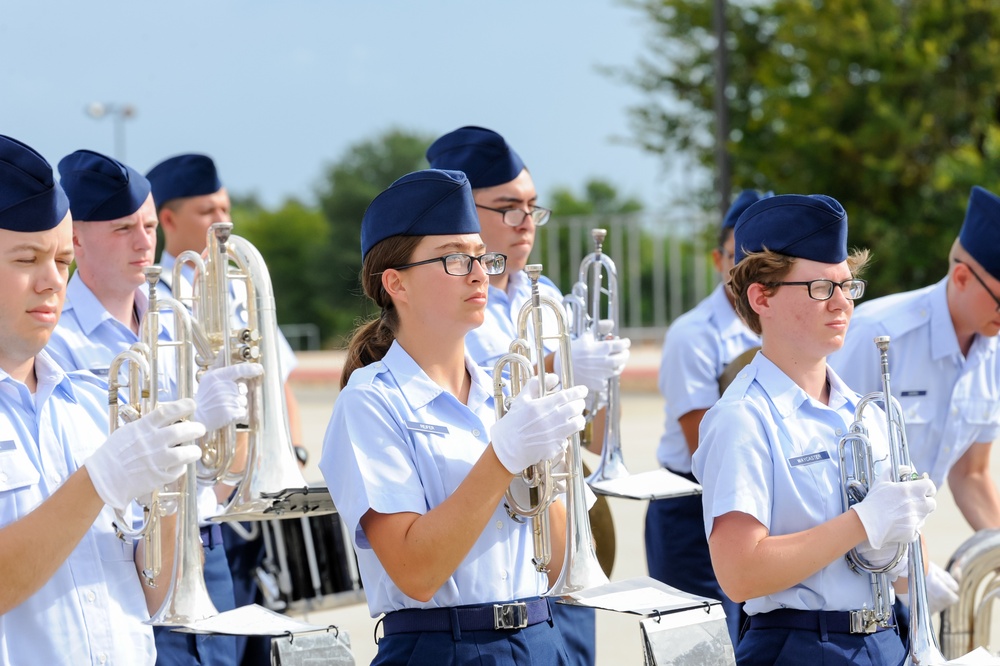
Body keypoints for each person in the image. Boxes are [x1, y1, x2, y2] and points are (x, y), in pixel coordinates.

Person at [319, 168, 589, 665]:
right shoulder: (371, 402)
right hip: (442, 647)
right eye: (454, 258)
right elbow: (417, 571)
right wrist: (505, 457)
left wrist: (546, 463)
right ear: (396, 282)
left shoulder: (505, 390)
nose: (480, 272)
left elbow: (561, 565)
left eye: (481, 255)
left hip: (541, 638)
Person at [0, 133, 243, 664]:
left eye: (60, 260)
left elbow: (146, 591)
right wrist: (99, 482)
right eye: (26, 259)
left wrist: (178, 479)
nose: (52, 283)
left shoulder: (87, 398)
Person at [692, 194, 938, 665]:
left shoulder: (865, 412)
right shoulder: (743, 417)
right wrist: (863, 521)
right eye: (822, 289)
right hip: (799, 644)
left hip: (883, 637)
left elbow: (886, 552)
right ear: (761, 296)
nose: (843, 303)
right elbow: (740, 573)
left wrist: (914, 561)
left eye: (848, 286)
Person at [427, 125, 629, 666]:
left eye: (533, 209)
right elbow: (481, 399)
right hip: (494, 532)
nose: (525, 224)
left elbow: (593, 437)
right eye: (508, 208)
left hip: (560, 521)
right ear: (464, 210)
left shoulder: (551, 298)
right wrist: (557, 367)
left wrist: (600, 384)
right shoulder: (446, 309)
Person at [145, 152, 301, 665]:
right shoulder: (154, 295)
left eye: (226, 208)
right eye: (208, 211)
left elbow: (278, 382)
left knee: (254, 645)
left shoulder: (239, 283)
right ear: (168, 219)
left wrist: (289, 459)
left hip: (251, 501)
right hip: (198, 507)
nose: (223, 222)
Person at [829, 186, 1000, 615]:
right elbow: (828, 468)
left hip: (903, 558)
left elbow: (972, 473)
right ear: (961, 277)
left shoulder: (992, 353)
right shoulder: (876, 334)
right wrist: (909, 567)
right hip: (836, 569)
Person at [645, 189, 769, 646]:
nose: (751, 265)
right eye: (741, 254)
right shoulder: (694, 334)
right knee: (698, 647)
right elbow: (704, 442)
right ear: (719, 259)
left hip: (756, 502)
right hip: (691, 507)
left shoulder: (781, 325)